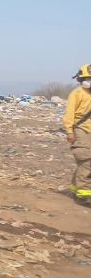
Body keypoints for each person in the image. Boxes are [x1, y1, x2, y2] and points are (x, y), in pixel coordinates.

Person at [65, 64, 91, 207]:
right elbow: (69, 113)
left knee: (84, 163)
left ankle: (75, 189)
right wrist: (69, 131)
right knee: (86, 161)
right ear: (80, 79)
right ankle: (84, 196)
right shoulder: (77, 93)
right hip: (81, 129)